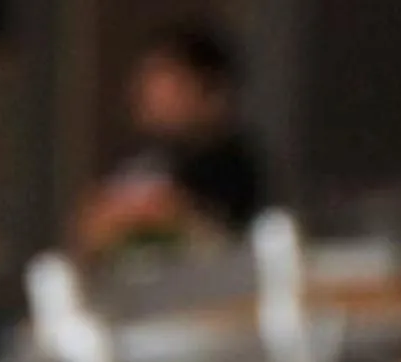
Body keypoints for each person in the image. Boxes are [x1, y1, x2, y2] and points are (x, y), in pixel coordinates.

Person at [78, 24, 271, 255]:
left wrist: (159, 212)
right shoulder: (146, 162)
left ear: (210, 91)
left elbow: (219, 243)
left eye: (164, 78)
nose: (144, 92)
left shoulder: (234, 167)